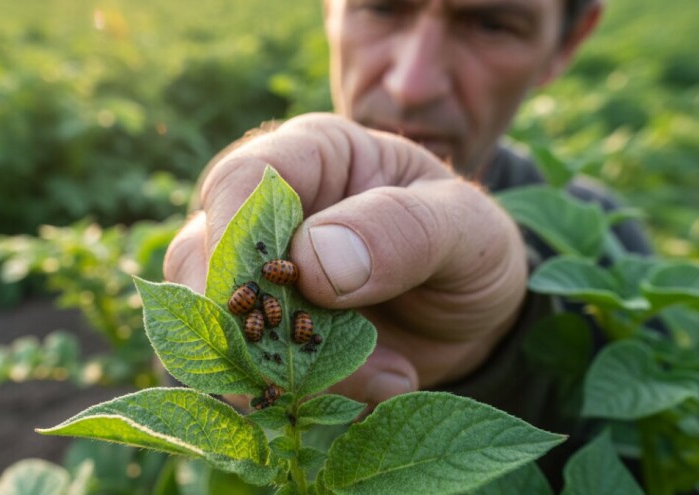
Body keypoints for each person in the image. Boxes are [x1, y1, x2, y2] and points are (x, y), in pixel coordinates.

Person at [163, 0, 651, 478]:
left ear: (568, 41)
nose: (411, 84)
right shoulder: (243, 202)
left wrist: (506, 343)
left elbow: (646, 456)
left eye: (491, 23)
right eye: (382, 7)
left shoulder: (612, 242)